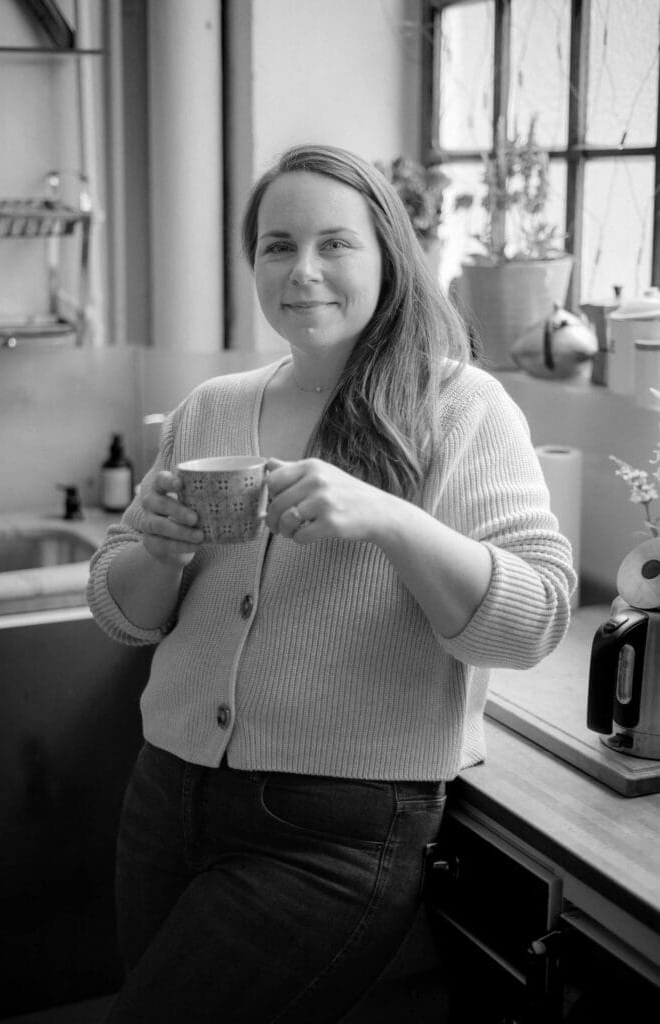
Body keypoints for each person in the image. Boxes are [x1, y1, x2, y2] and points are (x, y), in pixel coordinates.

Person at [88, 143, 575, 1023]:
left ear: (388, 254)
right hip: (166, 796)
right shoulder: (210, 408)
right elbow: (123, 616)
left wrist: (389, 518)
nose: (303, 271)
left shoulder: (460, 408)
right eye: (278, 246)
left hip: (333, 830)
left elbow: (533, 619)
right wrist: (155, 551)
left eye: (334, 244)